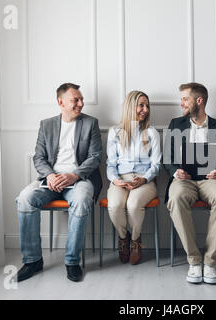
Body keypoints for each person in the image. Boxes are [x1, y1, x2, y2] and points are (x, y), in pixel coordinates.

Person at [16, 83, 102, 282]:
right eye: (76, 100)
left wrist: (74, 175)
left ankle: (72, 262)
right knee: (25, 199)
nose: (81, 103)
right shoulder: (47, 125)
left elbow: (95, 157)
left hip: (80, 179)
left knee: (81, 201)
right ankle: (32, 261)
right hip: (51, 180)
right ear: (60, 102)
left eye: (81, 99)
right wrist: (50, 176)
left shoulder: (91, 123)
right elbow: (39, 158)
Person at [164, 82, 216, 284]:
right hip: (184, 181)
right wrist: (175, 171)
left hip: (210, 180)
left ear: (199, 101)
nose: (182, 103)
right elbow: (167, 158)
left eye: (185, 99)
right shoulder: (176, 124)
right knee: (175, 197)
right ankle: (194, 261)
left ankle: (210, 263)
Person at [106, 90, 161, 265]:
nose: (145, 109)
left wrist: (143, 179)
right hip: (120, 178)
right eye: (141, 105)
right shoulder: (115, 132)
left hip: (145, 180)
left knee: (133, 205)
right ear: (131, 106)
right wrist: (115, 180)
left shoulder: (152, 133)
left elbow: (156, 165)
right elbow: (110, 163)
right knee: (114, 206)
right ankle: (124, 238)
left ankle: (136, 241)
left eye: (147, 106)